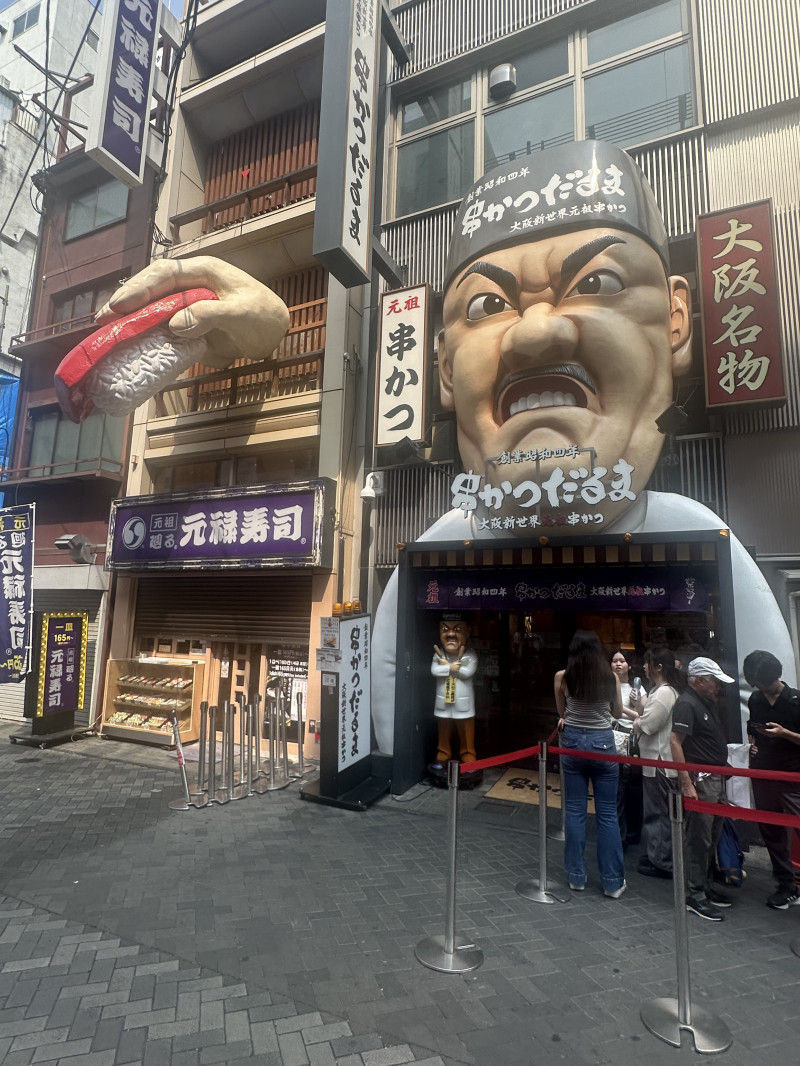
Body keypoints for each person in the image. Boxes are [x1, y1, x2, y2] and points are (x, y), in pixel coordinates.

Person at [370, 139, 795, 759]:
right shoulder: (441, 545)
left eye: (597, 282)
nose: (537, 333)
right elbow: (390, 672)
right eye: (487, 306)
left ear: (676, 321)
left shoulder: (702, 535)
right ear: (443, 368)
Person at [554, 630, 626, 898]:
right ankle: (612, 883)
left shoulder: (562, 677)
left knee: (574, 811)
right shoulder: (610, 677)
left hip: (572, 742)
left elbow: (562, 712)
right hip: (602, 743)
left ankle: (576, 877)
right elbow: (617, 712)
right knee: (607, 813)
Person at [670, 656, 736, 921]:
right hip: (701, 779)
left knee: (711, 834)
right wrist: (686, 782)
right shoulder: (687, 703)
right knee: (699, 837)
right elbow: (675, 742)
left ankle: (704, 885)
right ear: (699, 680)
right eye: (714, 681)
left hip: (715, 777)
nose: (718, 686)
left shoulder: (704, 702)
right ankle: (694, 893)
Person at [742, 650, 800, 910]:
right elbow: (752, 727)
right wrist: (753, 743)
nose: (761, 689)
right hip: (763, 773)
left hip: (793, 775)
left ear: (776, 675)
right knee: (771, 831)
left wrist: (785, 733)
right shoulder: (755, 699)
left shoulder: (796, 700)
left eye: (764, 684)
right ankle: (786, 886)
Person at [632, 645, 683, 879]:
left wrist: (636, 723)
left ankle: (662, 861)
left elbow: (649, 724)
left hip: (659, 761)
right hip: (656, 760)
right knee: (658, 811)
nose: (644, 666)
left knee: (658, 813)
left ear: (659, 667)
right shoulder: (660, 690)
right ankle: (659, 856)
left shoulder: (664, 692)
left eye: (648, 662)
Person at [430, 614, 478, 767]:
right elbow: (434, 670)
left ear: (468, 632)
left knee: (465, 728)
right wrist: (450, 667)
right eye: (445, 629)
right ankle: (443, 753)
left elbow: (468, 672)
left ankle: (468, 755)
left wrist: (454, 669)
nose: (450, 634)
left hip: (463, 702)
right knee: (443, 727)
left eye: (457, 629)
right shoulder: (438, 655)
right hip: (443, 700)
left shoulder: (470, 655)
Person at [609, 649, 643, 848]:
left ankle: (627, 833)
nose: (618, 664)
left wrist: (622, 708)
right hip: (608, 739)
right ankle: (618, 833)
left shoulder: (636, 688)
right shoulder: (606, 686)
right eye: (614, 661)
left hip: (627, 743)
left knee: (626, 790)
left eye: (622, 661)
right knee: (615, 790)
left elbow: (643, 716)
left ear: (629, 665)